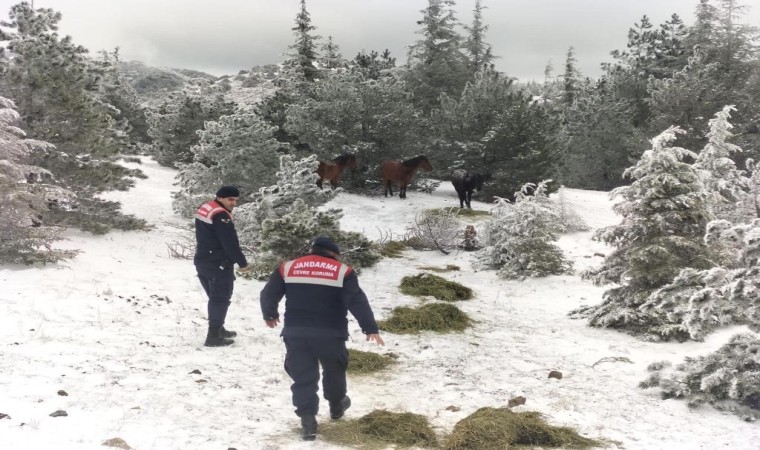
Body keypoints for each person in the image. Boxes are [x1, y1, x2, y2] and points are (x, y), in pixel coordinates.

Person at [259, 236, 384, 441]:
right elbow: (356, 300)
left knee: (302, 376)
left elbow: (268, 294)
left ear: (312, 250)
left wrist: (270, 314)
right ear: (334, 254)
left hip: (296, 333)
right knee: (334, 370)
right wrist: (370, 328)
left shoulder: (288, 268)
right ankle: (336, 406)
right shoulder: (343, 271)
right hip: (330, 333)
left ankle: (308, 422)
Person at [194, 185, 250, 347]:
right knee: (220, 299)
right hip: (218, 263)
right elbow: (229, 242)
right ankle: (213, 336)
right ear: (220, 198)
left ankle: (219, 328)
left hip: (203, 259)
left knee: (215, 297)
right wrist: (242, 262)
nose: (234, 203)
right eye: (231, 199)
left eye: (236, 200)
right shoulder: (221, 215)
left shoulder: (207, 207)